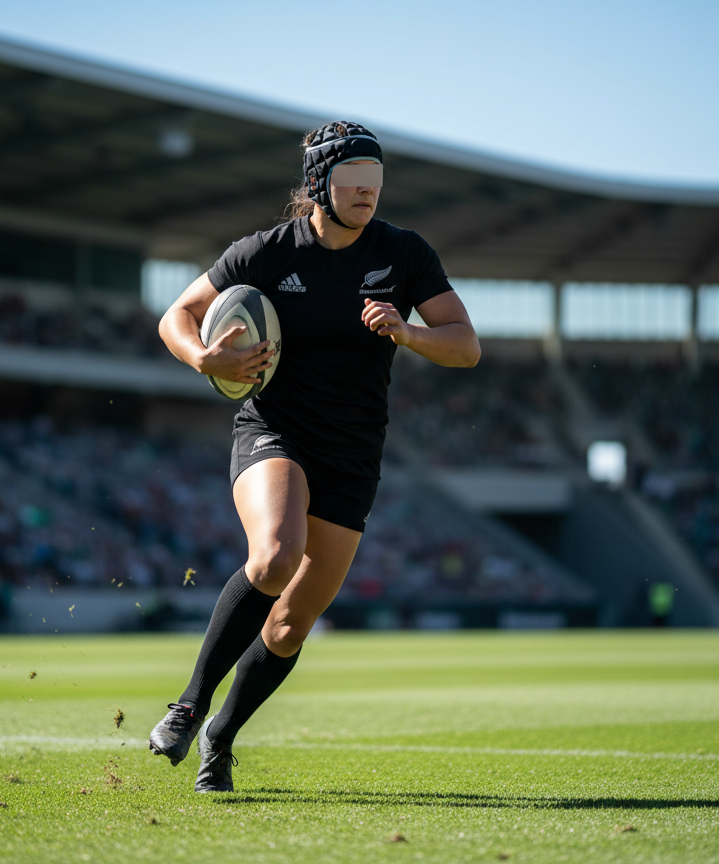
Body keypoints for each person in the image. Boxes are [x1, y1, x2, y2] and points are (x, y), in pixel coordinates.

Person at [148, 121, 480, 792]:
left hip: (354, 453)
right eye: (354, 181)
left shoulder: (404, 253)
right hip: (275, 430)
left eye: (376, 183)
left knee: (294, 623)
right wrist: (204, 356)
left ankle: (221, 738)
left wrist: (407, 332)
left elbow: (466, 345)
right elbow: (176, 316)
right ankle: (189, 703)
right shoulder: (265, 252)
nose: (368, 194)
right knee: (273, 556)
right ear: (318, 183)